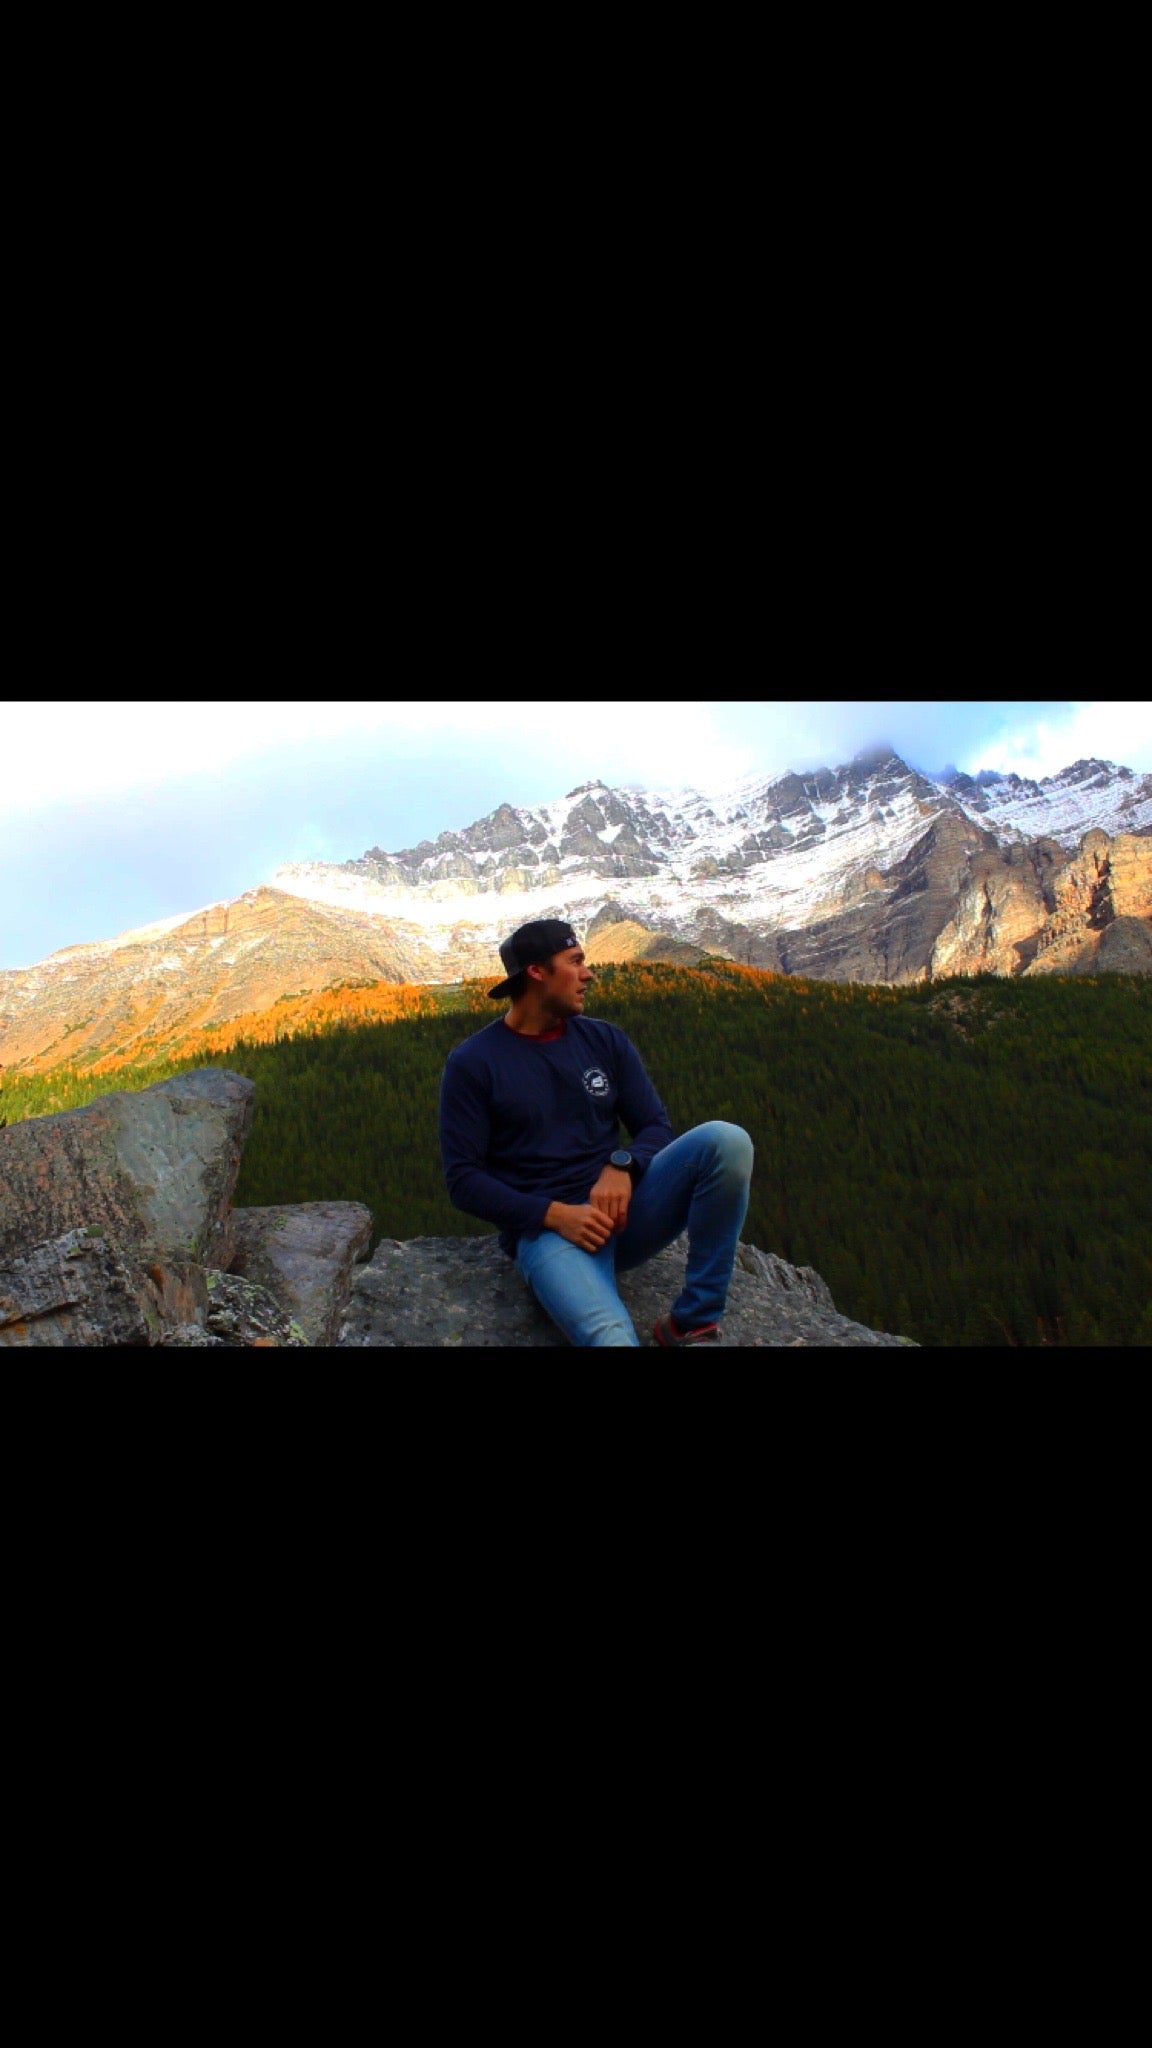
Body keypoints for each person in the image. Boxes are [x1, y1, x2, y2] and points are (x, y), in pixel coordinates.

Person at [438, 919, 754, 1347]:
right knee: (610, 1338)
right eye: (575, 962)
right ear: (537, 972)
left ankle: (693, 1323)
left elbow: (654, 1126)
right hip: (550, 1236)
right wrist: (554, 1215)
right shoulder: (474, 1063)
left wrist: (622, 1165)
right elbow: (463, 1181)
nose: (587, 974)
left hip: (626, 1215)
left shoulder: (604, 1040)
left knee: (726, 1141)